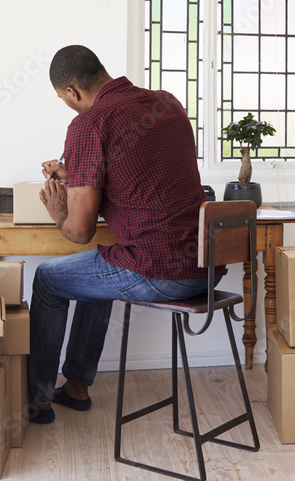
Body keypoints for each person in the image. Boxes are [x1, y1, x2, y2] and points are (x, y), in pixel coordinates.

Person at [27, 45, 220, 424]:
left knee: (49, 280)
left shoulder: (87, 124)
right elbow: (145, 172)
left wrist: (59, 212)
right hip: (205, 268)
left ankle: (40, 399)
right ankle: (78, 388)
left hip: (159, 273)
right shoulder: (167, 102)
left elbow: (80, 233)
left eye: (63, 99)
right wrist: (80, 174)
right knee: (98, 264)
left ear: (72, 92)